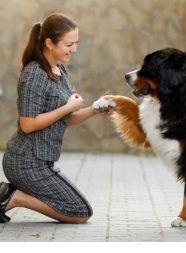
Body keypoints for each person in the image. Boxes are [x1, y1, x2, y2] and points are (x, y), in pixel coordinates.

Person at [0, 13, 113, 223]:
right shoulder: (34, 74)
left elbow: (63, 120)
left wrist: (93, 110)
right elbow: (27, 124)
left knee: (79, 209)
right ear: (49, 43)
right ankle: (14, 198)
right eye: (69, 44)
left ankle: (11, 194)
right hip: (26, 161)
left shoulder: (59, 69)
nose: (74, 49)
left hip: (41, 161)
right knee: (80, 212)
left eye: (76, 43)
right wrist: (68, 107)